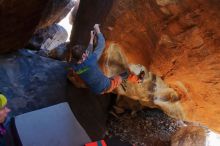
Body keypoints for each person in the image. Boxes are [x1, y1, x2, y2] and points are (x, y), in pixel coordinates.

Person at [69, 24, 144, 94]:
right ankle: (138, 80)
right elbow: (101, 44)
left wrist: (91, 38)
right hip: (107, 86)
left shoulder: (75, 67)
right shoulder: (91, 60)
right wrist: (97, 29)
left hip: (96, 89)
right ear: (84, 55)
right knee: (126, 74)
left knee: (106, 78)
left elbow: (87, 53)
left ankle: (120, 80)